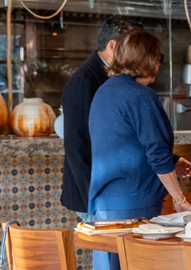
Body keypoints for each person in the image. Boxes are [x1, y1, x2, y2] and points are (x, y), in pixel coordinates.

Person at [88, 29, 191, 270]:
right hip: (134, 204)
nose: (159, 64)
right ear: (148, 59)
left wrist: (171, 162)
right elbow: (153, 150)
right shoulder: (141, 95)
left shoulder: (105, 92)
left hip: (105, 204)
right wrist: (180, 200)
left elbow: (128, 144)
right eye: (158, 58)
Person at [60, 16, 142, 221]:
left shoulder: (117, 76)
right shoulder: (84, 80)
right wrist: (95, 198)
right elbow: (77, 146)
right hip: (95, 195)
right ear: (113, 46)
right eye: (131, 46)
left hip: (114, 192)